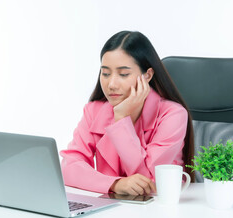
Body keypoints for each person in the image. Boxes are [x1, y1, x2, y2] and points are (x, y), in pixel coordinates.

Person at [60, 31, 194, 195]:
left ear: (147, 75)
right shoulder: (94, 111)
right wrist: (115, 184)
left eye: (123, 74)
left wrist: (121, 119)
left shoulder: (173, 115)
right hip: (110, 208)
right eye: (106, 73)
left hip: (158, 208)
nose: (111, 84)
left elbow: (147, 182)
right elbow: (69, 167)